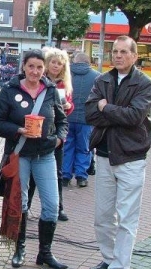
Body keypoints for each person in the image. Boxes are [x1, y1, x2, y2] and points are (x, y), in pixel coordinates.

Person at [85, 35, 151, 269]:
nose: (118, 55)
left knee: (127, 218)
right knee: (102, 215)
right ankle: (109, 257)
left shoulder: (145, 84)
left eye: (124, 51)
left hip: (131, 157)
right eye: (115, 51)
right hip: (103, 155)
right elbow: (91, 113)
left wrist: (106, 107)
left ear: (134, 56)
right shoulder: (101, 80)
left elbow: (135, 117)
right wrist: (111, 111)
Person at [0, 49, 69, 269]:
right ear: (23, 66)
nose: (35, 71)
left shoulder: (51, 91)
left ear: (44, 69)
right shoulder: (10, 90)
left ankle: (45, 252)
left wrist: (58, 140)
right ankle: (20, 248)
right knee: (20, 202)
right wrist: (18, 130)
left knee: (52, 206)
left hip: (45, 155)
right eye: (31, 66)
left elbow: (62, 121)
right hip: (20, 154)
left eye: (39, 67)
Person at [27, 47, 73, 221]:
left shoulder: (64, 84)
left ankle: (58, 207)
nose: (56, 66)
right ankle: (27, 205)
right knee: (31, 173)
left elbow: (67, 111)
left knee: (57, 172)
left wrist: (68, 108)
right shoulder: (40, 82)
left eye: (59, 64)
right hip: (37, 132)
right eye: (53, 62)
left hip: (54, 136)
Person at [62, 52, 100, 188]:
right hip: (87, 120)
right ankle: (81, 177)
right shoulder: (97, 77)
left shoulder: (65, 75)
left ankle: (65, 176)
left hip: (67, 117)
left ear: (74, 61)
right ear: (88, 62)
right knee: (84, 148)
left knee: (67, 147)